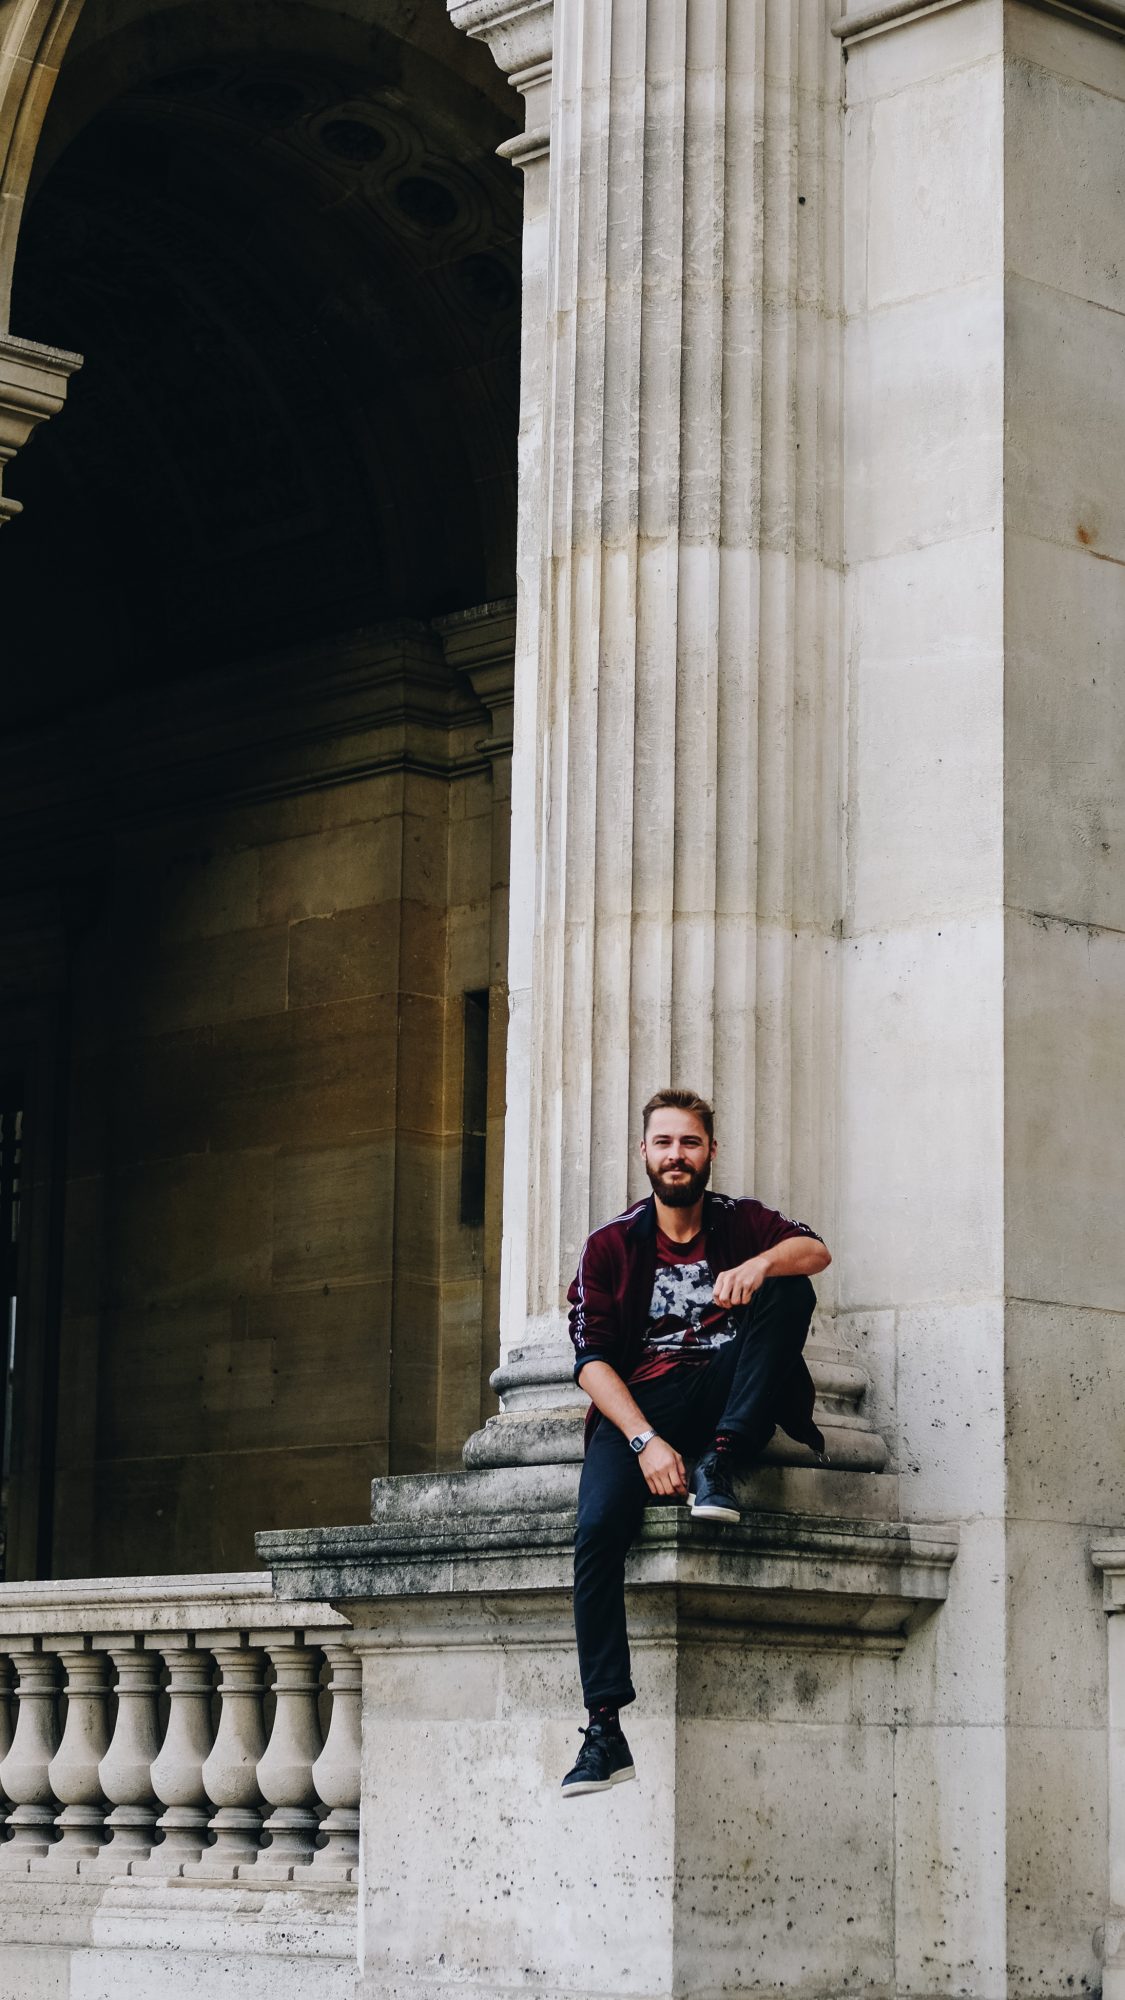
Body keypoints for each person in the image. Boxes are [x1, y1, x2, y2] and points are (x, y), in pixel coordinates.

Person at [560, 1087, 832, 1797]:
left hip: (721, 1389)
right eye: (662, 1143)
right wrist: (645, 1440)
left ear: (709, 1152)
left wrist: (760, 1265)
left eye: (688, 1142)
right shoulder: (611, 1244)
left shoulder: (740, 1222)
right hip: (640, 1406)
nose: (675, 1155)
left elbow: (815, 1251)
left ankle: (722, 1459)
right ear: (643, 1154)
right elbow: (590, 1363)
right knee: (594, 1532)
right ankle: (603, 1727)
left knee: (790, 1289)